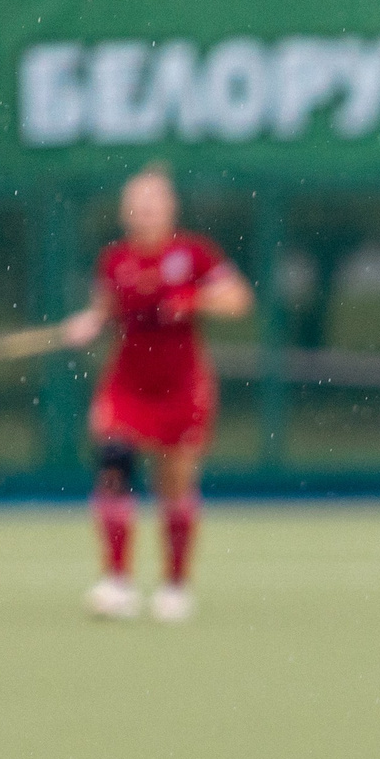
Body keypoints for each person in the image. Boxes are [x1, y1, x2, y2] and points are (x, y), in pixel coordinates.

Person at [62, 166, 254, 623]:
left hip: (182, 385)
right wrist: (87, 325)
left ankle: (174, 584)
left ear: (169, 208)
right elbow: (104, 311)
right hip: (127, 382)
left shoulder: (194, 254)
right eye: (138, 206)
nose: (145, 213)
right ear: (127, 212)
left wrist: (193, 299)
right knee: (113, 464)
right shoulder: (114, 260)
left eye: (154, 204)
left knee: (175, 485)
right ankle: (117, 580)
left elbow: (238, 299)